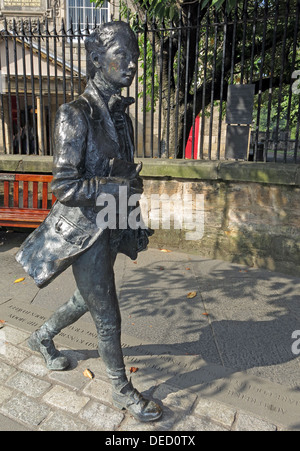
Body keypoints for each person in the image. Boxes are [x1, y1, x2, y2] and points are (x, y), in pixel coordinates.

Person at [16, 21, 162, 423]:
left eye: (135, 57)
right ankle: (121, 389)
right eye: (123, 56)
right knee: (107, 314)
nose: (132, 65)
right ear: (97, 61)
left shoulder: (122, 117)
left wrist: (131, 192)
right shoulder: (74, 114)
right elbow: (64, 185)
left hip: (113, 223)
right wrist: (116, 185)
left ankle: (42, 337)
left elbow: (122, 171)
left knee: (87, 298)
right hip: (85, 233)